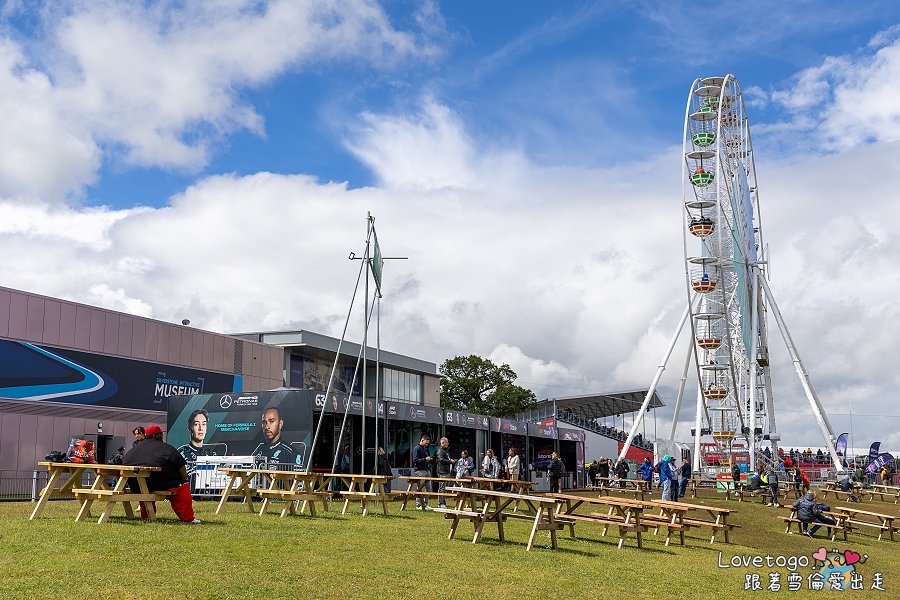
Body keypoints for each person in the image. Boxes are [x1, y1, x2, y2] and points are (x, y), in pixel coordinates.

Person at [123, 425, 199, 524]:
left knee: (144, 487)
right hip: (162, 484)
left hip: (137, 486)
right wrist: (184, 480)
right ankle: (187, 518)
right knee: (182, 488)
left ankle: (146, 515)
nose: (162, 436)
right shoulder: (167, 449)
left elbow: (125, 462)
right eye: (160, 434)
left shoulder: (133, 450)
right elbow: (181, 466)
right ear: (156, 435)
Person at [178, 408, 209, 484]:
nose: (200, 428)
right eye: (196, 424)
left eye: (204, 424)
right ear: (189, 428)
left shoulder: (210, 454)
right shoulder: (181, 453)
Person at [411, 434, 433, 510]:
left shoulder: (425, 449)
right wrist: (425, 459)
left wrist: (429, 459)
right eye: (426, 443)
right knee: (420, 488)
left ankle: (425, 504)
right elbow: (415, 460)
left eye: (428, 443)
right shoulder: (417, 449)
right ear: (422, 440)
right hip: (420, 470)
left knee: (429, 489)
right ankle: (418, 505)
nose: (427, 445)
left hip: (427, 469)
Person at [434, 437, 453, 509]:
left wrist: (450, 460)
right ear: (443, 443)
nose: (448, 443)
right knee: (441, 488)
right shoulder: (440, 450)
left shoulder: (446, 451)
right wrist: (450, 461)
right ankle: (440, 503)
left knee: (445, 488)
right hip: (442, 471)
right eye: (446, 442)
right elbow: (441, 460)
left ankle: (444, 502)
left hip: (447, 471)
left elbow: (446, 459)